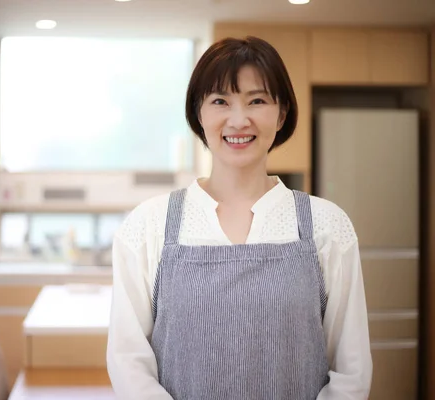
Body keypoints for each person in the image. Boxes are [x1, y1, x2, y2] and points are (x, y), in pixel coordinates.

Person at [106, 36, 373, 399]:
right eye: (220, 101)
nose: (238, 119)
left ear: (281, 114)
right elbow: (128, 362)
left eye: (257, 101)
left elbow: (351, 368)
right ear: (199, 114)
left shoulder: (327, 226)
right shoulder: (148, 227)